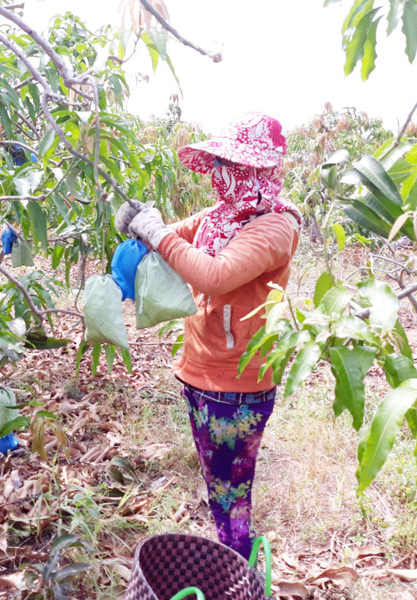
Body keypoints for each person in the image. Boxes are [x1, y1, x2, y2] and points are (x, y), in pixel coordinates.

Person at [115, 113, 301, 559]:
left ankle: (238, 569)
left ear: (258, 172)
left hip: (238, 383)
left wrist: (157, 234)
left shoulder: (276, 226)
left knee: (231, 491)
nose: (221, 175)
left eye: (231, 166)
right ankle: (234, 560)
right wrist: (144, 224)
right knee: (219, 484)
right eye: (219, 164)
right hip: (201, 372)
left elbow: (213, 275)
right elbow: (174, 238)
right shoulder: (222, 216)